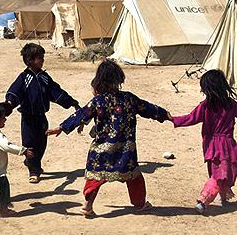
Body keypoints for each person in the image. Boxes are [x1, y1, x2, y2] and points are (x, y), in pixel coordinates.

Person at [46, 59, 170, 217]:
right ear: (118, 79)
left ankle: (87, 206)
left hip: (101, 149)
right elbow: (147, 108)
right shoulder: (128, 98)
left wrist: (62, 127)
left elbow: (82, 114)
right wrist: (164, 114)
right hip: (126, 150)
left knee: (95, 177)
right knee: (133, 176)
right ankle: (140, 204)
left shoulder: (98, 101)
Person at [170, 69, 237, 214]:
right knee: (223, 173)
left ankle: (222, 198)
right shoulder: (231, 104)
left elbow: (190, 118)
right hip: (227, 145)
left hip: (212, 145)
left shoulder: (205, 106)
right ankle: (204, 200)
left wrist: (173, 119)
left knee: (218, 173)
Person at [4, 43, 80, 184]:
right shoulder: (23, 78)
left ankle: (31, 162)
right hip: (28, 118)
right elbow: (14, 92)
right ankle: (34, 171)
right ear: (30, 60)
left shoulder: (45, 77)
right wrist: (9, 104)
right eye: (40, 58)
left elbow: (56, 92)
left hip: (41, 117)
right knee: (29, 144)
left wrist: (72, 102)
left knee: (41, 143)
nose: (42, 60)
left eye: (43, 57)